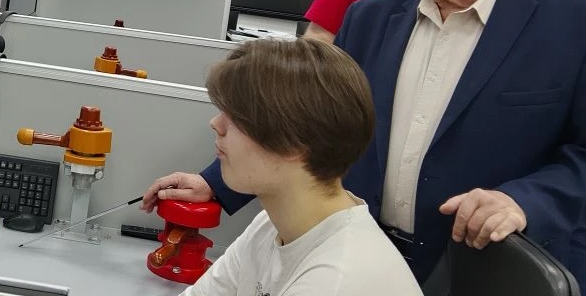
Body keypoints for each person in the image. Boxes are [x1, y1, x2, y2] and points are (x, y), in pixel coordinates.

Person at [143, 0, 586, 288]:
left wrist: (526, 200)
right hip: (361, 254)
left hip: (486, 267)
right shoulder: (371, 16)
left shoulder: (570, 21)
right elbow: (311, 120)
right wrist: (215, 184)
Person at [178, 38, 421, 296]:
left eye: (237, 116)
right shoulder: (272, 225)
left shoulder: (337, 280)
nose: (216, 124)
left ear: (295, 143)